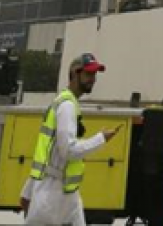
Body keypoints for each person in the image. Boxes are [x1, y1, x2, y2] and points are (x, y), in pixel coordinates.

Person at [20, 53, 118, 226]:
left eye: (94, 74)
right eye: (88, 74)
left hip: (64, 192)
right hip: (53, 195)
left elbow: (46, 151)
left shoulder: (66, 102)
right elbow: (68, 151)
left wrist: (28, 191)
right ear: (74, 74)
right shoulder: (66, 106)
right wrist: (100, 139)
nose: (93, 79)